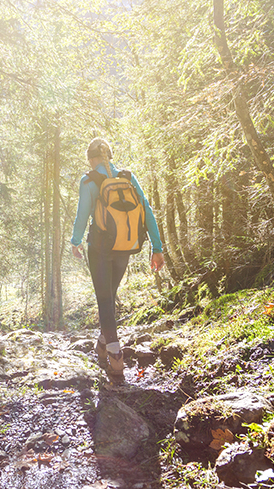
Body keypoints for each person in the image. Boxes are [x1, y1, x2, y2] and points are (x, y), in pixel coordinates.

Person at [71, 137, 164, 382]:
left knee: (104, 299)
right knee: (109, 297)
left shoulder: (89, 180)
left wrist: (75, 241)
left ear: (91, 159)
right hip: (125, 246)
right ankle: (103, 343)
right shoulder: (128, 177)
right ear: (109, 156)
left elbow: (82, 215)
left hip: (100, 248)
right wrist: (157, 247)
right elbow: (146, 210)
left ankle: (115, 356)